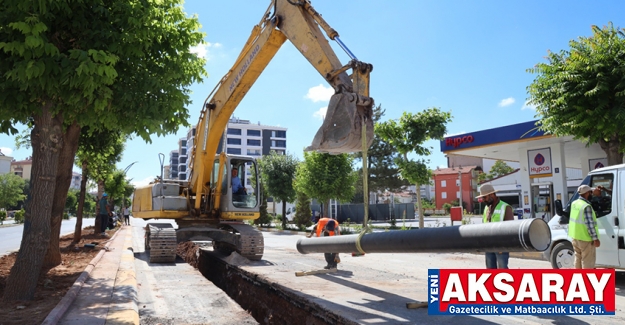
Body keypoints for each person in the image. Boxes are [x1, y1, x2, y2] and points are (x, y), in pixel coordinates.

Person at [476, 184, 514, 269]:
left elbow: (511, 229)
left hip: (501, 245)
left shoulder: (505, 207)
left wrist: (503, 245)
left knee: (503, 270)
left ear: (492, 195)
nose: (483, 200)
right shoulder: (486, 208)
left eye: (484, 197)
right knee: (490, 270)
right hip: (489, 245)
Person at [568, 184, 600, 269]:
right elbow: (590, 224)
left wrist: (594, 190)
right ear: (586, 194)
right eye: (590, 193)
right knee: (587, 261)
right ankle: (586, 280)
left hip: (575, 237)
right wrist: (595, 239)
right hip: (585, 239)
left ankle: (578, 279)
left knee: (578, 259)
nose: (591, 194)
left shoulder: (574, 203)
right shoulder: (586, 206)